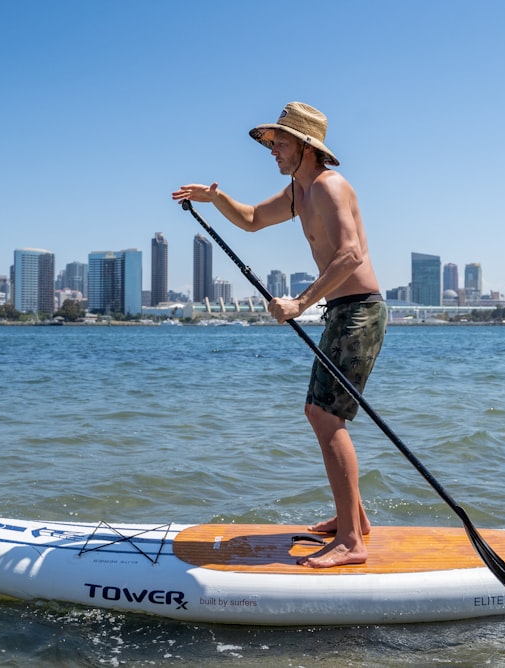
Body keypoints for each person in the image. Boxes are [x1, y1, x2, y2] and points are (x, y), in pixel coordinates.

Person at [172, 102, 388, 568]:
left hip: (360, 313)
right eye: (271, 143)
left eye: (280, 143)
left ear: (307, 147)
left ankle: (352, 541)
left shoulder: (329, 187)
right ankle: (355, 519)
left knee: (327, 418)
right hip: (342, 311)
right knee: (318, 413)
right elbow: (251, 219)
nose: (272, 151)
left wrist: (298, 304)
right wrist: (217, 199)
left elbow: (350, 256)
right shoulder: (298, 191)